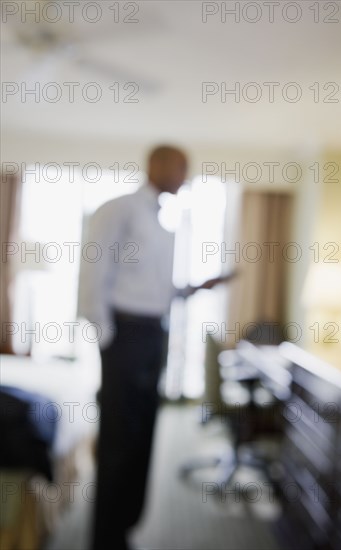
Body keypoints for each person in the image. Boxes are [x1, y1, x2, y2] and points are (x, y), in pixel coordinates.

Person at [78, 145, 231, 550]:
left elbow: (154, 290)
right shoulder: (120, 210)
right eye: (182, 168)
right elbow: (93, 278)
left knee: (142, 435)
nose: (186, 176)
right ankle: (105, 539)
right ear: (156, 165)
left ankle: (125, 527)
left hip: (151, 334)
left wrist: (195, 289)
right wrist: (109, 340)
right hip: (125, 339)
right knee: (117, 442)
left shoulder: (160, 220)